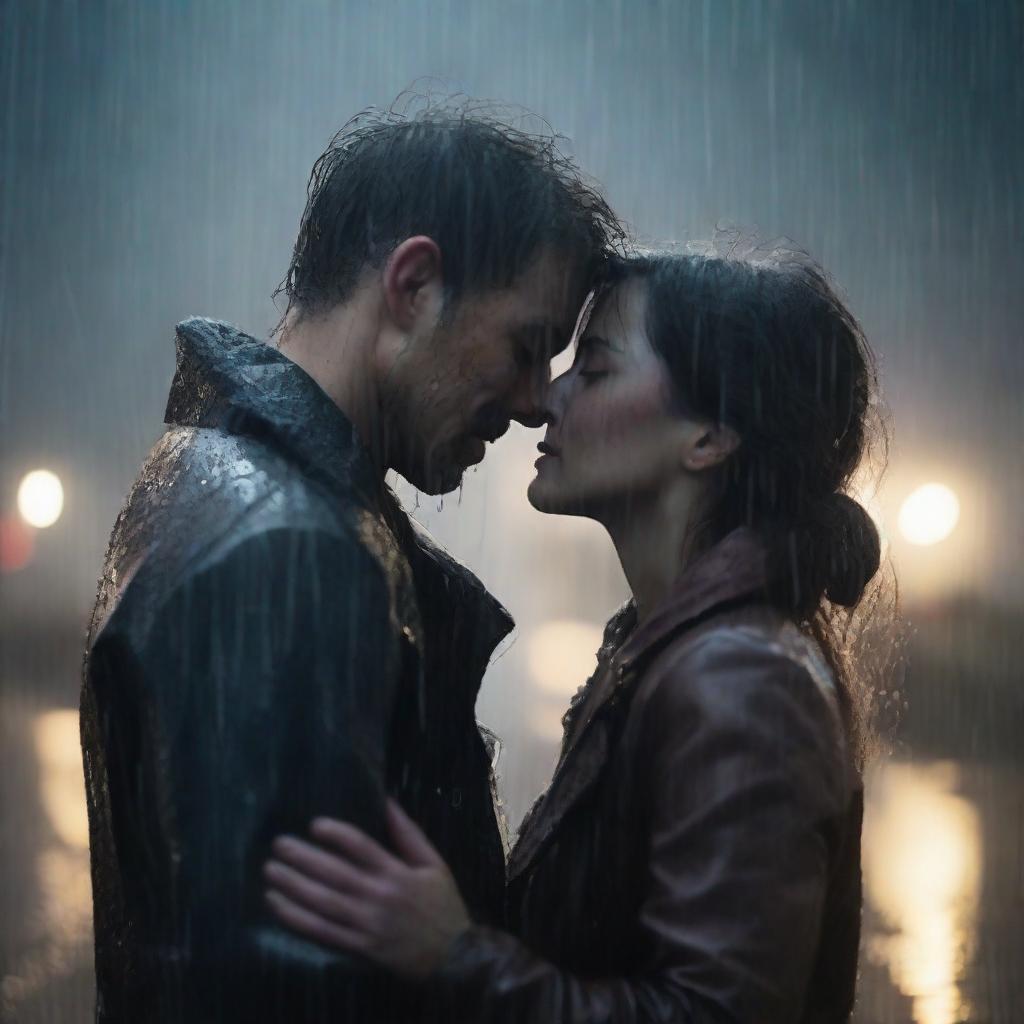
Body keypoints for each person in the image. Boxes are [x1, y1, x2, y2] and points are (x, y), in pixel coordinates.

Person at [79, 99, 622, 1024]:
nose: (538, 404)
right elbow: (282, 989)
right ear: (413, 286)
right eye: (527, 347)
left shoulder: (217, 482)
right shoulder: (284, 550)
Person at [263, 248, 888, 1023]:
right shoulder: (675, 648)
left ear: (709, 437)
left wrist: (455, 956)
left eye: (592, 369)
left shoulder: (741, 680)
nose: (546, 398)